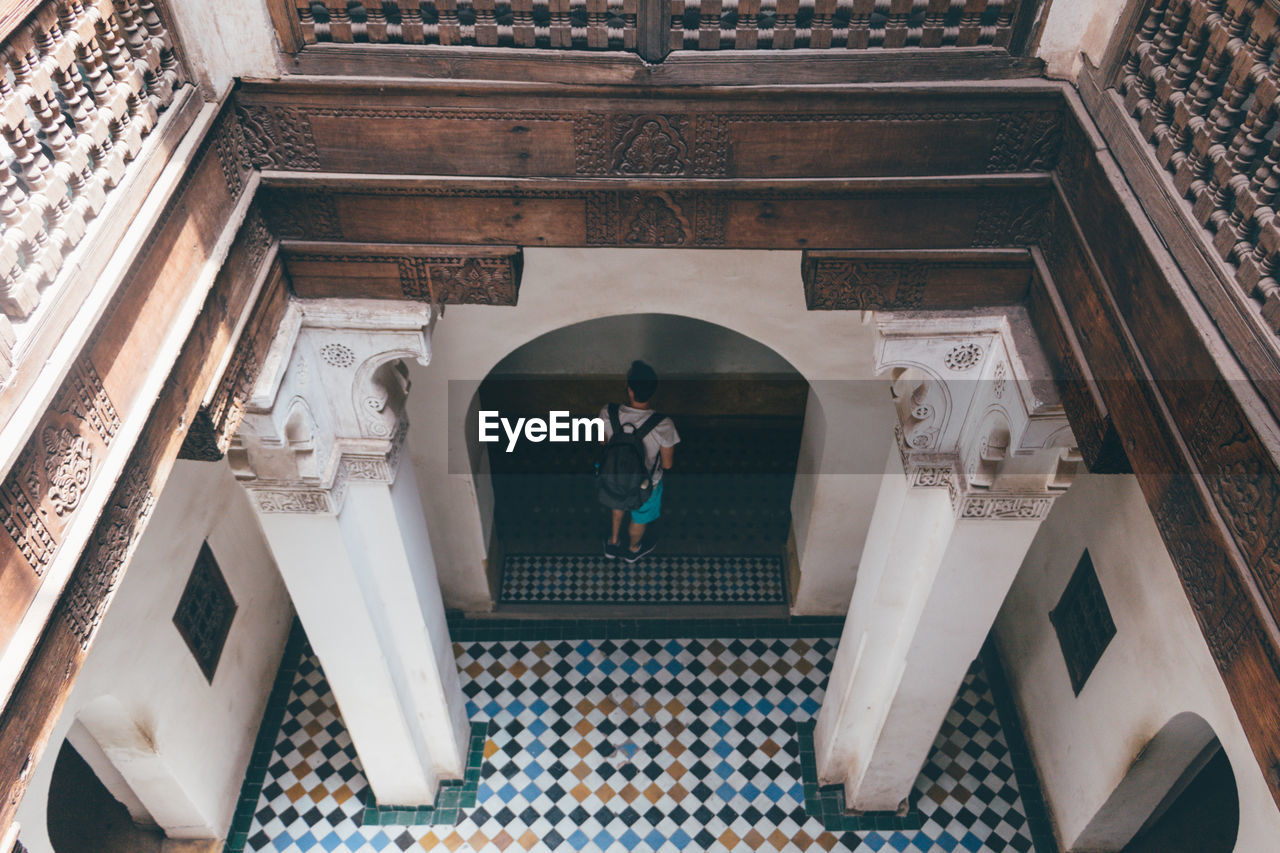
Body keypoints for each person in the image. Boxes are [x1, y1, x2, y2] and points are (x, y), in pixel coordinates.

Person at [599, 360, 679, 562]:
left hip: (613, 476)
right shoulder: (663, 424)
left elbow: (602, 442)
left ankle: (613, 542)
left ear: (629, 388)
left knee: (617, 505)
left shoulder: (608, 412)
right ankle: (633, 549)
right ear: (653, 391)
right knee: (640, 517)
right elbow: (668, 464)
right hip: (645, 484)